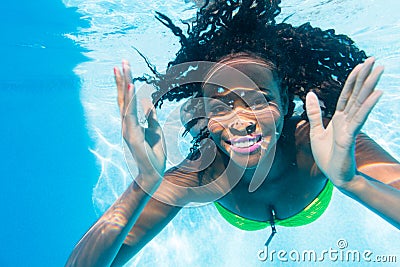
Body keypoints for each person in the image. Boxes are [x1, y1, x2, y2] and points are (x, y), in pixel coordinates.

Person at [66, 0, 400, 266]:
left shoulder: (322, 142)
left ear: (285, 102)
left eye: (260, 99)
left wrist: (351, 181)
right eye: (222, 105)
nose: (242, 121)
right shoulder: (204, 172)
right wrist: (144, 185)